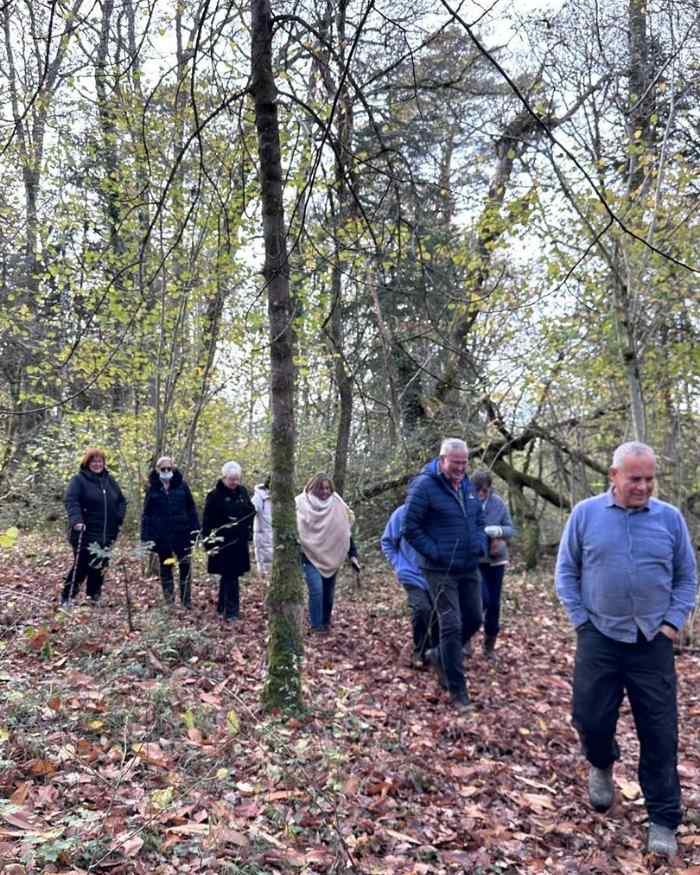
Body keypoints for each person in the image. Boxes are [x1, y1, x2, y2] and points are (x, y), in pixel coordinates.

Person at [555, 441, 697, 858]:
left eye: (650, 479)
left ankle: (664, 819)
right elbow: (566, 571)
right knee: (590, 718)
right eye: (635, 478)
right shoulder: (586, 515)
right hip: (599, 635)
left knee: (660, 732)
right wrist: (581, 621)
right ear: (614, 476)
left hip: (652, 641)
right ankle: (601, 762)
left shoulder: (669, 519)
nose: (644, 486)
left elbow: (687, 577)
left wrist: (671, 624)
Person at [402, 438, 486, 711]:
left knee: (475, 618)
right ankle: (457, 690)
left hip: (468, 565)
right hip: (439, 569)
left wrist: (480, 544)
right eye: (455, 463)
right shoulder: (424, 486)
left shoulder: (467, 485)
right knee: (451, 625)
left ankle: (439, 654)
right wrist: (435, 551)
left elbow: (478, 519)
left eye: (464, 463)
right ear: (442, 460)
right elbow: (409, 527)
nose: (461, 468)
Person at [61, 447, 127, 608]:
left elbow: (121, 501)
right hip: (84, 531)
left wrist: (118, 518)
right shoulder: (78, 480)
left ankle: (93, 597)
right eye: (94, 461)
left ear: (104, 463)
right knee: (81, 565)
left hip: (107, 533)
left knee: (100, 565)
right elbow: (71, 501)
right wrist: (77, 520)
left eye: (100, 461)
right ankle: (67, 597)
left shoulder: (109, 481)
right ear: (87, 463)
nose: (97, 464)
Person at [295, 473, 360, 632]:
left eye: (328, 488)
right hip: (308, 555)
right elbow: (295, 530)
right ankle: (316, 627)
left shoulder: (337, 503)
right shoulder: (300, 503)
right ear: (313, 487)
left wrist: (353, 554)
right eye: (321, 488)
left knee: (328, 593)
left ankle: (325, 622)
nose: (325, 491)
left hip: (331, 555)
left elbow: (344, 531)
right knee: (316, 590)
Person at [381, 503, 438, 669]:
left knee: (438, 614)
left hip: (437, 574)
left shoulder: (440, 511)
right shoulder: (401, 513)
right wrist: (398, 564)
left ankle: (437, 652)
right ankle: (420, 651)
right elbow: (387, 541)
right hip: (410, 572)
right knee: (421, 609)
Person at [140, 456, 200, 608]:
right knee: (166, 567)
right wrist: (146, 536)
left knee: (185, 566)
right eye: (163, 469)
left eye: (169, 468)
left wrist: (195, 531)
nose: (166, 471)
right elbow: (147, 514)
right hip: (162, 535)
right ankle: (169, 601)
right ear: (158, 470)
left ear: (173, 469)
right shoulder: (153, 488)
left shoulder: (182, 486)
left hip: (182, 533)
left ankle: (186, 601)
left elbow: (191, 509)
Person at [201, 461, 254, 622]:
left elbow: (250, 511)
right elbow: (207, 521)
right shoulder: (214, 496)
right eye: (232, 479)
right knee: (230, 575)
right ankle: (232, 612)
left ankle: (222, 606)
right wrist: (208, 542)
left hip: (239, 542)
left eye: (237, 479)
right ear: (224, 478)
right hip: (222, 543)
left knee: (230, 576)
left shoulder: (242, 492)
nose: (235, 482)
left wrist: (247, 530)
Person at [470, 470, 515, 660]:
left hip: (496, 560)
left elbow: (510, 529)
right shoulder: (466, 502)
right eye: (478, 490)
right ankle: (466, 638)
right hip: (475, 560)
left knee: (494, 604)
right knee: (481, 600)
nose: (481, 494)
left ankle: (489, 647)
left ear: (489, 489)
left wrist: (498, 531)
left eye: (484, 490)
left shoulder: (498, 503)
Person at [252, 476, 273, 577]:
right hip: (264, 539)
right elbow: (250, 511)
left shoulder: (284, 498)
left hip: (275, 539)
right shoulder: (259, 497)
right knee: (266, 571)